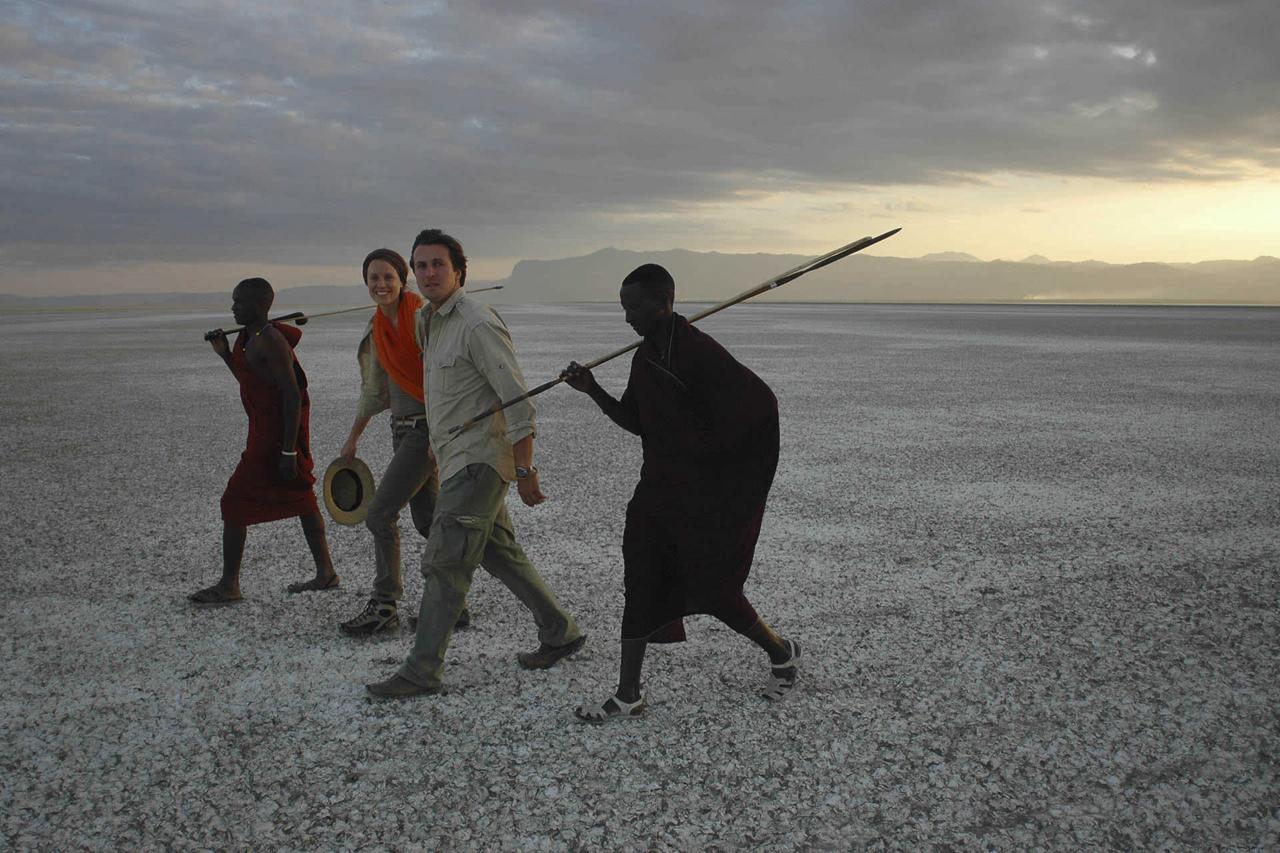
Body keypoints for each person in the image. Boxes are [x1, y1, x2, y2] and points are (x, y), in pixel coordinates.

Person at [561, 263, 799, 721]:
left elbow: (760, 405)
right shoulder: (644, 357)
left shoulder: (698, 352)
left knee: (714, 589)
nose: (627, 318)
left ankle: (781, 652)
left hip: (701, 499)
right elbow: (635, 421)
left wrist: (712, 461)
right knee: (641, 583)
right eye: (623, 308)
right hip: (655, 495)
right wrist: (591, 390)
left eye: (634, 307)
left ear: (663, 302)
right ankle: (628, 694)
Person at [366, 229, 584, 699]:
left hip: (480, 461)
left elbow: (517, 399)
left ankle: (422, 670)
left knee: (445, 562)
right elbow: (443, 392)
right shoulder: (428, 321)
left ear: (459, 271)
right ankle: (560, 631)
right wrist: (436, 442)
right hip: (453, 456)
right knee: (497, 550)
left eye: (438, 264)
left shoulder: (477, 323)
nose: (428, 273)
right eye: (421, 266)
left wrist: (525, 470)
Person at [335, 248, 471, 637]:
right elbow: (374, 388)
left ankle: (384, 605)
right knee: (427, 520)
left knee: (379, 514)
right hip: (401, 428)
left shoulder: (422, 318)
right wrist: (354, 437)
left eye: (388, 277)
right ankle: (453, 603)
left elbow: (447, 377)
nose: (380, 285)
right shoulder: (378, 326)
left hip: (426, 429)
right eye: (373, 278)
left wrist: (442, 433)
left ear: (402, 279)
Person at [190, 277, 339, 605]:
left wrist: (288, 451)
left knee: (234, 501)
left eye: (239, 302)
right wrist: (225, 354)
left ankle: (229, 585)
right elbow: (251, 381)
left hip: (276, 435)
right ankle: (326, 572)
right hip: (261, 428)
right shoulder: (250, 338)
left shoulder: (270, 341)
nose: (233, 308)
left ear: (259, 307)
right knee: (301, 496)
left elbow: (291, 395)